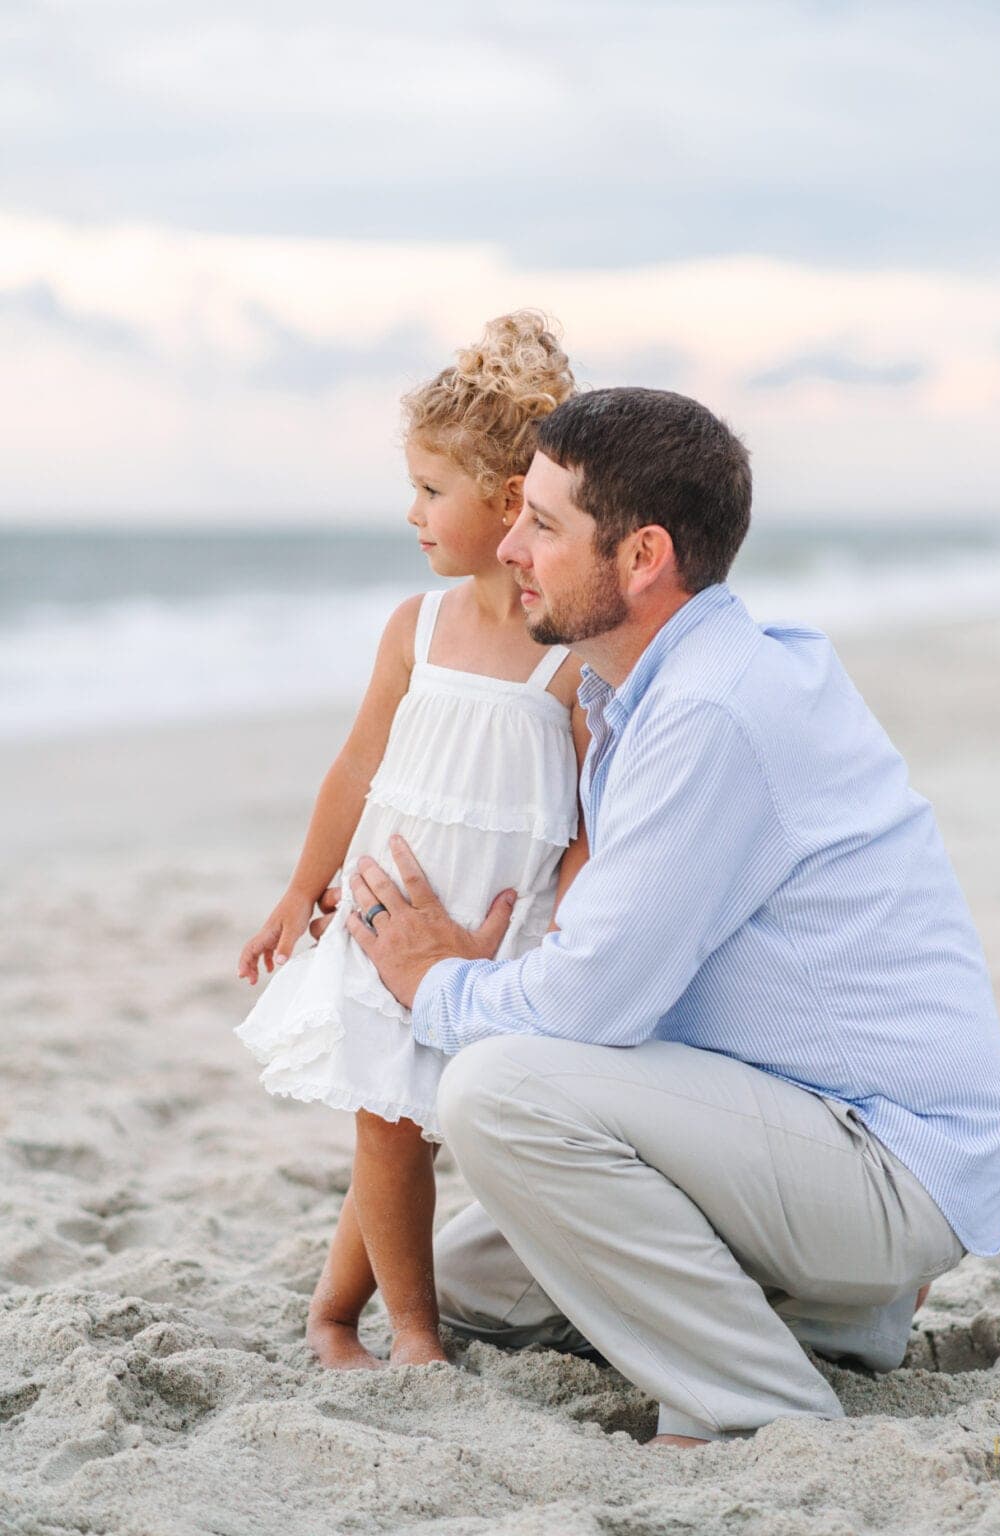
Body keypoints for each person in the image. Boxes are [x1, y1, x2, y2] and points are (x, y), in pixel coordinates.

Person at [338, 386, 1000, 1446]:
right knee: (468, 1280)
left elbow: (592, 1002)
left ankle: (757, 1406)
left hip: (885, 1162)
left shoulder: (707, 710)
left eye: (545, 524)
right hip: (795, 1123)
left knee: (499, 1095)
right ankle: (841, 1312)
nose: (510, 543)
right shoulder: (650, 687)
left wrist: (433, 981)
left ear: (643, 556)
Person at [234, 311, 591, 1370]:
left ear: (509, 500)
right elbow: (354, 768)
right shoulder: (415, 629)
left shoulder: (565, 654)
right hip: (391, 912)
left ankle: (334, 1315)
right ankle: (411, 1339)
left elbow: (586, 822)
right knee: (388, 1128)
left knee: (411, 1126)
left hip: (497, 934)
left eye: (433, 492)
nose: (413, 513)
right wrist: (303, 889)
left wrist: (565, 926)